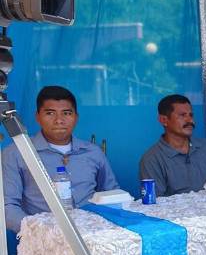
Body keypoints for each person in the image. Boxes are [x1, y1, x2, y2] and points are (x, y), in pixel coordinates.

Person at [2, 86, 119, 233]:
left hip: (94, 236)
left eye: (66, 113)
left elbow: (113, 195)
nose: (59, 120)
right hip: (43, 240)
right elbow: (8, 207)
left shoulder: (93, 152)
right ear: (37, 117)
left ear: (76, 117)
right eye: (50, 113)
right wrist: (38, 232)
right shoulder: (17, 153)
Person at [140, 94, 206, 197]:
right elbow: (154, 203)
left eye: (191, 115)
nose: (190, 121)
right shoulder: (152, 159)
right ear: (164, 120)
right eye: (182, 115)